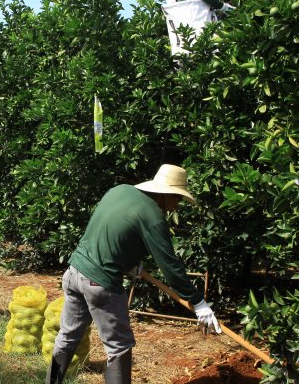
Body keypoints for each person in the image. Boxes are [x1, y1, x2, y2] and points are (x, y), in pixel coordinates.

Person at [47, 164, 221, 384]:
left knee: (67, 337)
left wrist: (128, 261)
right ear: (165, 194)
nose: (176, 206)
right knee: (119, 347)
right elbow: (170, 266)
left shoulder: (120, 190)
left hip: (74, 272)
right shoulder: (153, 216)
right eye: (177, 198)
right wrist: (198, 302)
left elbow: (109, 228)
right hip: (100, 283)